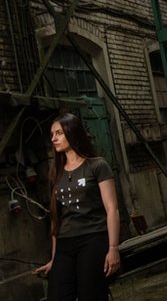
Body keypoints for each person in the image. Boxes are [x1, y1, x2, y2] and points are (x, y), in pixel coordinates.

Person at [33, 112, 121, 300]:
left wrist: (113, 248)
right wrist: (54, 260)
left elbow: (112, 209)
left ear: (72, 133)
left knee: (91, 295)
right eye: (52, 135)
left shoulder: (97, 165)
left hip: (93, 239)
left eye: (59, 133)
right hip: (65, 243)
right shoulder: (56, 172)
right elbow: (56, 218)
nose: (54, 139)